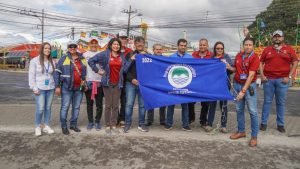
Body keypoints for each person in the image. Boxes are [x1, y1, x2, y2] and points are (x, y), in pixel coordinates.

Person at [89, 38, 130, 135]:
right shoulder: (105, 54)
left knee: (115, 106)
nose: (116, 46)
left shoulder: (122, 56)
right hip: (107, 83)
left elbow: (125, 69)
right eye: (114, 44)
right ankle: (107, 125)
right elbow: (91, 61)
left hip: (118, 83)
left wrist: (131, 60)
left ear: (120, 46)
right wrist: (97, 70)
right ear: (111, 45)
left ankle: (114, 125)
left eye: (118, 44)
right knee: (108, 105)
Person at [260, 30, 299, 133]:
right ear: (273, 38)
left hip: (282, 80)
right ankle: (263, 123)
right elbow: (260, 62)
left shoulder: (289, 49)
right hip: (268, 80)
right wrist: (262, 75)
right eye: (275, 36)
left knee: (280, 103)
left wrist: (289, 76)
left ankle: (280, 124)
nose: (277, 38)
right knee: (267, 102)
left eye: (279, 36)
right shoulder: (267, 49)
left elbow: (295, 62)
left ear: (283, 38)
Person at [230, 37, 260, 147]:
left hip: (248, 86)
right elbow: (235, 69)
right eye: (246, 44)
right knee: (239, 110)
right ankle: (241, 131)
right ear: (243, 45)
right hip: (237, 84)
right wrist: (226, 65)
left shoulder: (255, 58)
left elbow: (251, 75)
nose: (247, 46)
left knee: (253, 111)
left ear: (253, 46)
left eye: (250, 45)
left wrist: (243, 91)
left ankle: (254, 136)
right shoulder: (239, 55)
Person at [54, 41, 87, 135]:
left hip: (78, 88)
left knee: (76, 107)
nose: (72, 48)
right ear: (68, 48)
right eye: (70, 46)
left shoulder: (82, 58)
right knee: (65, 107)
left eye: (74, 46)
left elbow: (84, 73)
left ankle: (73, 124)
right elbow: (57, 73)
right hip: (66, 88)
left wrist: (84, 82)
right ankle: (64, 126)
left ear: (77, 47)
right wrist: (57, 86)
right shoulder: (63, 59)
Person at [206, 41, 234, 133]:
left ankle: (223, 125)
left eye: (221, 48)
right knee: (212, 105)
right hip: (213, 86)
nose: (220, 50)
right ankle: (209, 124)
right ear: (215, 49)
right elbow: (207, 71)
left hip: (224, 85)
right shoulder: (212, 58)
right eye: (218, 48)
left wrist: (227, 65)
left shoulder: (226, 57)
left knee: (224, 105)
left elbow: (233, 69)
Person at [165, 38, 192, 132]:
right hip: (173, 84)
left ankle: (185, 125)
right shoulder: (171, 57)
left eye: (185, 46)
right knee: (171, 105)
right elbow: (167, 70)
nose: (183, 47)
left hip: (185, 85)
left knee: (185, 106)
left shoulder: (190, 58)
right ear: (178, 46)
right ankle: (168, 124)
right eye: (181, 45)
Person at [29, 42, 55, 136]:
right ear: (42, 49)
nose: (47, 50)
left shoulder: (52, 61)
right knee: (40, 108)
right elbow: (31, 76)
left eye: (49, 48)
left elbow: (53, 74)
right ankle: (37, 126)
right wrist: (34, 87)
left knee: (48, 108)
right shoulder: (34, 61)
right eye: (45, 48)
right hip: (40, 88)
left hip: (50, 88)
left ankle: (46, 126)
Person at [123, 36, 149, 133]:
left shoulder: (148, 55)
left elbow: (151, 71)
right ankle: (127, 124)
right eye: (137, 43)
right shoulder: (129, 55)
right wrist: (132, 79)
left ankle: (141, 124)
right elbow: (125, 70)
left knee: (142, 105)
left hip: (143, 85)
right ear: (134, 44)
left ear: (144, 44)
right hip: (131, 83)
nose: (139, 45)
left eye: (141, 43)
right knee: (129, 104)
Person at [190, 38, 213, 127]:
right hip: (195, 82)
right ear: (198, 45)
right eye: (201, 45)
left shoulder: (211, 55)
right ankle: (191, 118)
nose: (202, 46)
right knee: (191, 101)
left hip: (206, 83)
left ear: (207, 46)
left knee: (205, 103)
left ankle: (203, 120)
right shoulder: (194, 54)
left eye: (204, 45)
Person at [83, 39, 104, 131]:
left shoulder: (101, 54)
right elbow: (82, 68)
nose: (94, 45)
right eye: (92, 44)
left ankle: (97, 121)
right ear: (89, 44)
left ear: (98, 45)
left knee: (99, 104)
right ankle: (90, 122)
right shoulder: (84, 55)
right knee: (89, 104)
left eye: (95, 44)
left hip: (99, 82)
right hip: (89, 82)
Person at [146, 44, 166, 126]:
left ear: (162, 50)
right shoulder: (148, 59)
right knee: (150, 102)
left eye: (160, 49)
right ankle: (150, 120)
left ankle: (162, 120)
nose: (158, 51)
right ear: (153, 50)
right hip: (151, 84)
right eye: (157, 49)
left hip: (162, 84)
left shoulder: (166, 59)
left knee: (163, 103)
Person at [118, 31, 133, 127]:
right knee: (114, 101)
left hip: (126, 79)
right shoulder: (113, 49)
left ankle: (122, 119)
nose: (123, 40)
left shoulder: (130, 51)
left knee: (124, 100)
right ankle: (114, 119)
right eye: (121, 38)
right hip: (115, 79)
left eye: (125, 38)